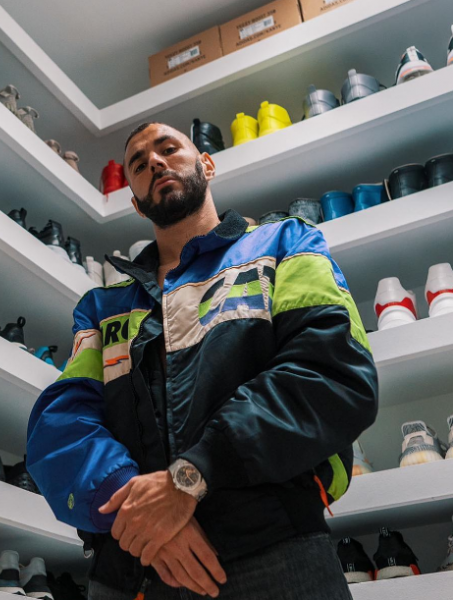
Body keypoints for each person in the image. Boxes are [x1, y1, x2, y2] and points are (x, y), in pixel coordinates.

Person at [27, 122, 378, 599]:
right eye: (138, 164)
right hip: (134, 569)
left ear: (207, 164)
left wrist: (188, 479)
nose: (154, 162)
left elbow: (331, 372)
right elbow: (60, 425)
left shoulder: (284, 245)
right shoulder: (104, 307)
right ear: (136, 202)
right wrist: (140, 508)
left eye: (168, 148)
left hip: (272, 553)